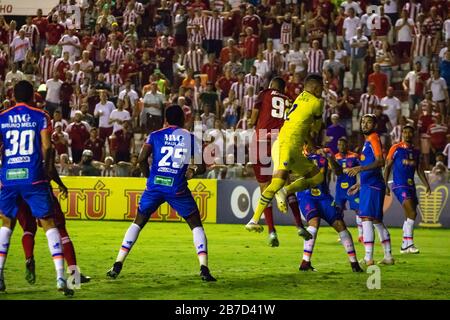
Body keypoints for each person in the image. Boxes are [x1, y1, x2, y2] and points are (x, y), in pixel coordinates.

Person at [107, 105, 216, 282]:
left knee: (138, 222)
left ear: (165, 119)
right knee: (195, 224)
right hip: (177, 187)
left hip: (155, 186)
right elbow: (203, 167)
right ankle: (204, 267)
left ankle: (118, 263)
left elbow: (142, 159)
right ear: (183, 120)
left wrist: (149, 178)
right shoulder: (190, 138)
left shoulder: (154, 135)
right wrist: (192, 172)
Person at [0, 80, 73, 295]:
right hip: (33, 176)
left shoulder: (2, 117)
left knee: (6, 222)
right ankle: (61, 277)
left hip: (9, 177)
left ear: (13, 96)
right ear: (33, 95)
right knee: (49, 223)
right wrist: (48, 171)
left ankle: (0, 274)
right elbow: (47, 147)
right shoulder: (41, 116)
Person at [246, 74, 325, 232]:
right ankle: (254, 220)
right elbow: (316, 128)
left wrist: (311, 145)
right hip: (284, 144)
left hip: (288, 148)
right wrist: (314, 135)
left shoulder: (299, 97)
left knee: (318, 177)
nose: (322, 91)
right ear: (316, 88)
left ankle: (285, 193)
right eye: (321, 88)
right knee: (277, 182)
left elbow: (253, 119)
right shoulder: (311, 102)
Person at [16, 147, 91, 285]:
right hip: (39, 189)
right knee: (60, 229)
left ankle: (29, 258)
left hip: (16, 189)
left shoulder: (15, 140)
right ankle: (73, 274)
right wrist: (61, 184)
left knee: (28, 229)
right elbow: (49, 169)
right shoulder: (44, 143)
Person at [296, 148, 363, 273]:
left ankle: (354, 263)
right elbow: (288, 173)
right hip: (306, 195)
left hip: (324, 196)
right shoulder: (298, 153)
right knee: (314, 221)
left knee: (340, 225)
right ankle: (305, 262)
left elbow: (338, 172)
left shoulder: (325, 151)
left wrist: (330, 158)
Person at [345, 114, 394, 267]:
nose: (365, 124)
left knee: (365, 219)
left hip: (373, 185)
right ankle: (388, 256)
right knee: (377, 221)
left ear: (375, 125)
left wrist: (360, 168)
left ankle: (368, 258)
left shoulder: (373, 138)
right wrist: (359, 183)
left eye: (369, 122)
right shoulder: (367, 142)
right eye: (363, 122)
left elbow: (380, 162)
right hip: (368, 185)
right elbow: (370, 164)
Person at [384, 125, 431, 254]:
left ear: (413, 134)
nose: (407, 134)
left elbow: (419, 170)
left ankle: (404, 244)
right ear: (402, 134)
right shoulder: (396, 148)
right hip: (399, 185)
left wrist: (427, 185)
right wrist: (385, 185)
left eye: (410, 132)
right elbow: (387, 167)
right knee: (412, 213)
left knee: (409, 215)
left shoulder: (416, 152)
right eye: (405, 132)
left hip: (411, 186)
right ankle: (409, 244)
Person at [331, 137, 363, 242]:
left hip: (352, 188)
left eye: (343, 144)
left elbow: (361, 170)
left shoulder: (354, 156)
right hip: (340, 189)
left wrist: (359, 183)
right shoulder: (335, 157)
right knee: (338, 211)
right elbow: (333, 172)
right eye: (339, 145)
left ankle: (361, 235)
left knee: (358, 209)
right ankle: (342, 234)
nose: (341, 147)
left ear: (347, 145)